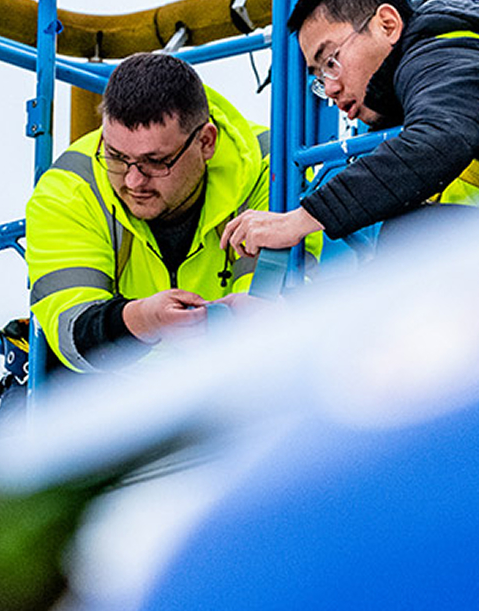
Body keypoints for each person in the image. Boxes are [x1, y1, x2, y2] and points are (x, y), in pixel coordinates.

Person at [220, 0, 479, 258]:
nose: (331, 87)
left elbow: (439, 141)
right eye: (320, 77)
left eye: (331, 61)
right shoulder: (427, 78)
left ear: (387, 24)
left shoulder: (442, 51)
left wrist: (300, 220)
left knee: (408, 237)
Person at [25, 52, 316, 377]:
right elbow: (72, 333)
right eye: (116, 156)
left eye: (155, 161)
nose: (134, 180)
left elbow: (262, 312)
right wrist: (145, 319)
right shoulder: (68, 189)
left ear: (206, 142)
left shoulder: (272, 168)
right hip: (109, 392)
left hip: (240, 380)